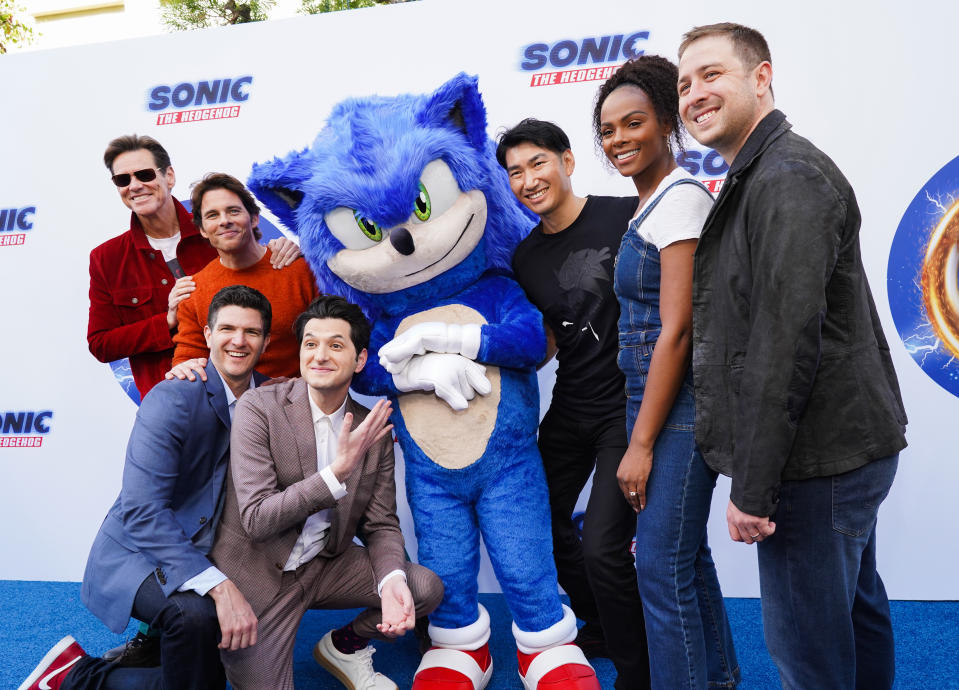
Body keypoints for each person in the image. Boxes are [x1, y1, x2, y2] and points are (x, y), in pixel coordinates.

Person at [677, 23, 908, 689]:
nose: (694, 93)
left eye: (711, 74)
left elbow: (782, 344)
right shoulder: (763, 176)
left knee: (807, 650)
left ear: (761, 77)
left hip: (815, 461)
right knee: (852, 617)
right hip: (832, 452)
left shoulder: (786, 178)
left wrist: (752, 488)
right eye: (685, 83)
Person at [20, 285, 272, 690]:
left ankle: (74, 673)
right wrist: (219, 585)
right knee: (195, 616)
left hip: (211, 547)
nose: (238, 341)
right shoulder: (174, 396)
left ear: (266, 341)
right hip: (139, 552)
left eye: (252, 332)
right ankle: (80, 678)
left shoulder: (272, 398)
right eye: (226, 329)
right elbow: (142, 510)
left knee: (204, 677)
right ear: (207, 336)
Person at [591, 56, 739, 690]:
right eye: (607, 130)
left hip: (677, 408)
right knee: (684, 556)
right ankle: (721, 678)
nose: (619, 139)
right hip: (647, 398)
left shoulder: (679, 198)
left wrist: (642, 443)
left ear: (666, 124)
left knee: (657, 565)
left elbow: (679, 330)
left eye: (633, 123)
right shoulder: (651, 202)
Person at [209, 295, 444, 690]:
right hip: (259, 573)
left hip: (325, 562)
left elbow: (382, 523)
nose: (320, 355)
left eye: (336, 345)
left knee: (421, 588)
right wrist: (335, 474)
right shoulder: (259, 407)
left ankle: (345, 645)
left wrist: (391, 582)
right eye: (310, 343)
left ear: (360, 359)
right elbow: (255, 519)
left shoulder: (371, 428)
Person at [496, 119, 650, 689]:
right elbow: (548, 340)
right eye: (515, 172)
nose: (529, 179)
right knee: (535, 520)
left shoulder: (625, 213)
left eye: (538, 163)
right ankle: (606, 626)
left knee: (605, 546)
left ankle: (641, 673)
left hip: (627, 408)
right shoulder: (525, 257)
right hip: (570, 405)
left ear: (567, 161)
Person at [88, 135, 298, 402]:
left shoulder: (216, 229)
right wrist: (167, 320)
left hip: (252, 398)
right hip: (171, 404)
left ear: (169, 176)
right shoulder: (107, 258)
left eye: (144, 174)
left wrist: (284, 249)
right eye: (123, 179)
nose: (135, 185)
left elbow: (265, 281)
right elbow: (100, 344)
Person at [171, 173, 319, 379]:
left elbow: (332, 336)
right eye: (212, 215)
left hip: (302, 398)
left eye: (233, 211)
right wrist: (184, 368)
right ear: (202, 229)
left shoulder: (299, 269)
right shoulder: (194, 291)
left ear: (254, 218)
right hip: (231, 407)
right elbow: (188, 357)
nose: (224, 221)